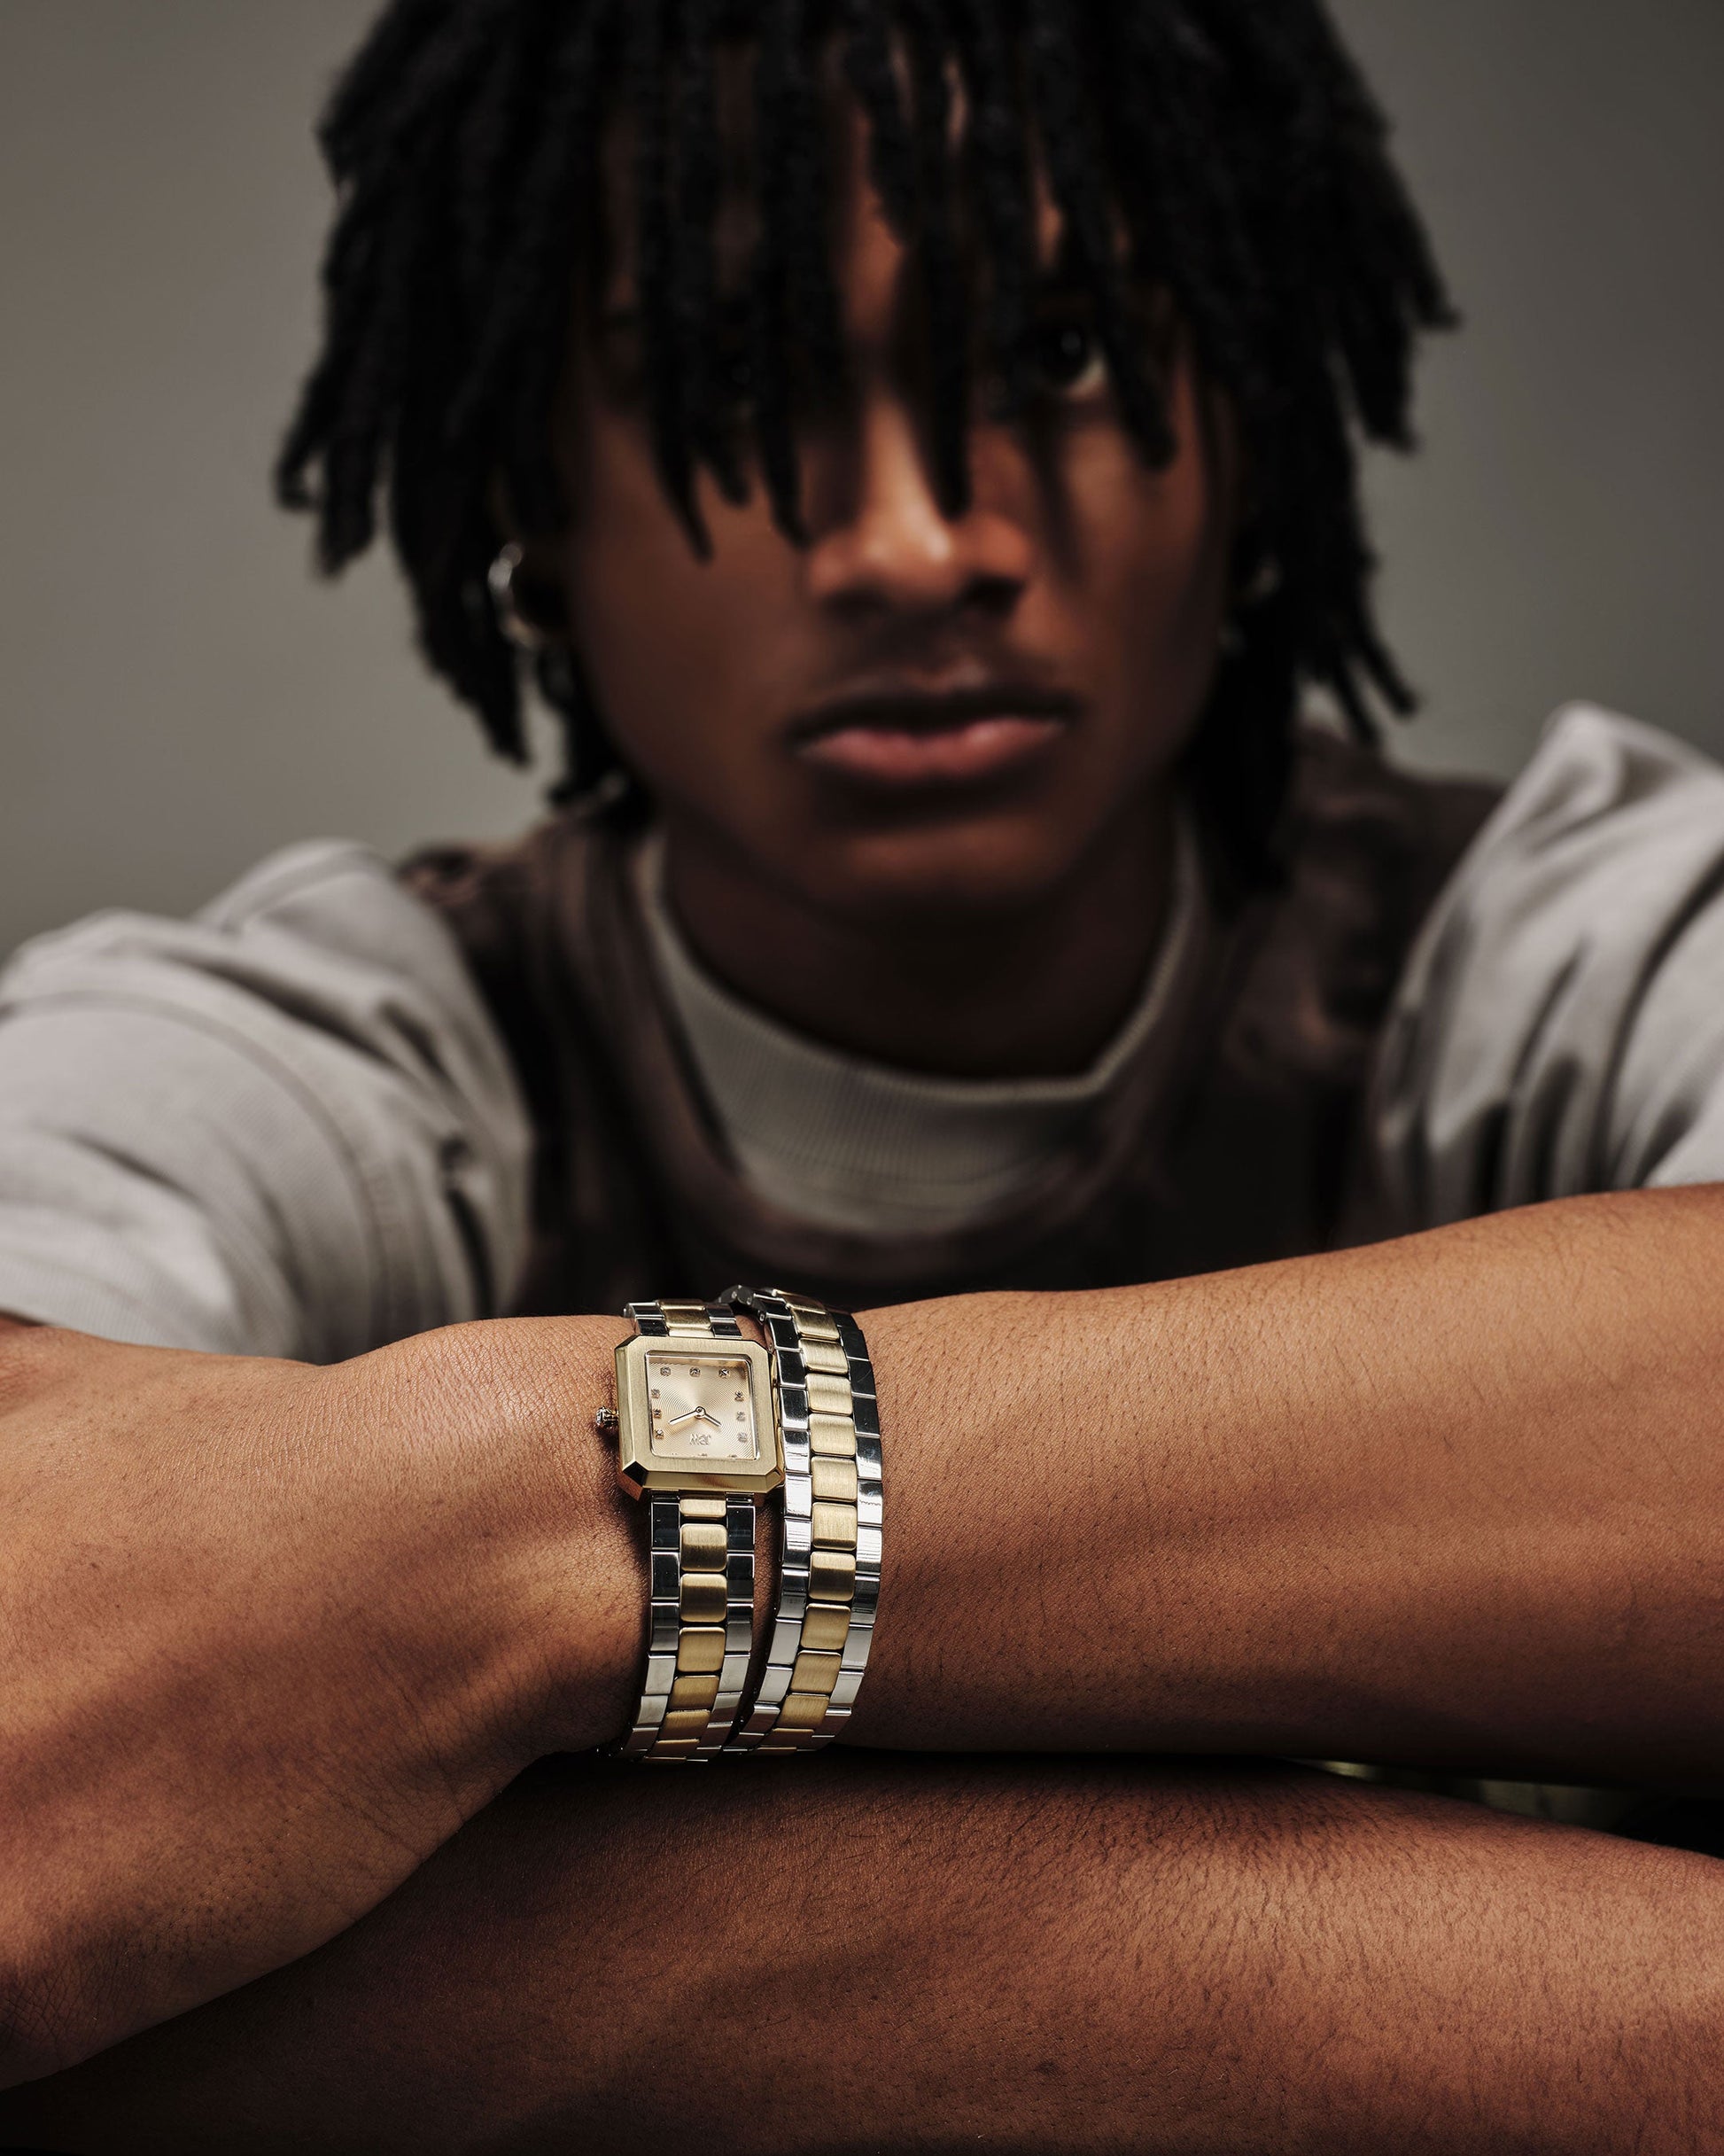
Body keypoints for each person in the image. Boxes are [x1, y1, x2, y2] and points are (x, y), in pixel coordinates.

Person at [2, 1, 1723, 2148]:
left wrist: (479, 1542)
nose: (916, 544)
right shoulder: (325, 1047)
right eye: (736, 386)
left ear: (1249, 426)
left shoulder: (1578, 935)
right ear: (530, 511)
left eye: (1066, 352)